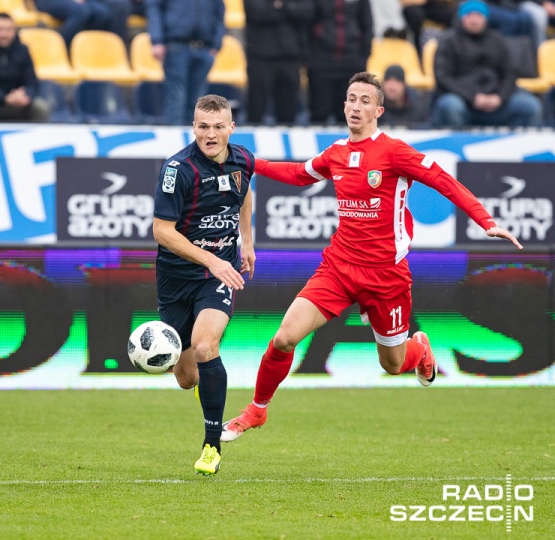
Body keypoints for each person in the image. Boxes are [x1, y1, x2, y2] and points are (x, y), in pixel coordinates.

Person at [220, 71, 523, 443]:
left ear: (379, 110)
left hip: (386, 276)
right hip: (338, 268)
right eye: (351, 99)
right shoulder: (336, 153)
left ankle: (421, 351)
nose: (356, 107)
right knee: (284, 337)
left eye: (365, 101)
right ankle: (256, 410)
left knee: (393, 364)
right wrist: (251, 162)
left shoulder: (394, 152)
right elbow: (299, 174)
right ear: (344, 105)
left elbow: (444, 181)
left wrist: (485, 220)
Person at [152, 94, 256, 475]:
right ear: (193, 127)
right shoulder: (177, 170)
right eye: (202, 127)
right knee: (186, 376)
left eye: (217, 127)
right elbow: (161, 231)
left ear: (231, 127)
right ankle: (205, 384)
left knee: (206, 346)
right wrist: (208, 258)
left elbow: (244, 194)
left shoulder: (243, 159)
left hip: (220, 274)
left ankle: (211, 445)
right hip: (176, 278)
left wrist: (246, 240)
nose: (210, 135)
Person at [431, 0, 543, 128]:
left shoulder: (497, 40)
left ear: (486, 18)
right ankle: (456, 144)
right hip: (463, 101)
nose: (474, 19)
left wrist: (500, 97)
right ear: (461, 17)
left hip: (496, 101)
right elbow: (443, 77)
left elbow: (510, 74)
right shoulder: (448, 41)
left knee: (529, 106)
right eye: (469, 15)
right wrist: (473, 97)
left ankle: (514, 145)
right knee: (450, 105)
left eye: (478, 15)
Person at [144, 0, 225, 126]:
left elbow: (220, 11)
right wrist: (157, 40)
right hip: (176, 45)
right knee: (176, 100)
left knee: (198, 103)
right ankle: (175, 141)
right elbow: (154, 8)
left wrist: (216, 43)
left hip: (204, 47)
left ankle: (194, 142)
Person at [243, 0, 315, 125]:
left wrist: (281, 5)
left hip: (291, 56)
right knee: (257, 107)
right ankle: (250, 143)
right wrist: (290, 8)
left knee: (288, 110)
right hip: (260, 56)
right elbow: (257, 13)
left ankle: (287, 142)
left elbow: (306, 13)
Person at [306, 0, 373, 124]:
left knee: (350, 114)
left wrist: (363, 57)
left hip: (352, 61)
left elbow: (367, 24)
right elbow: (307, 23)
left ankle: (351, 144)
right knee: (319, 112)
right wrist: (311, 57)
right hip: (322, 61)